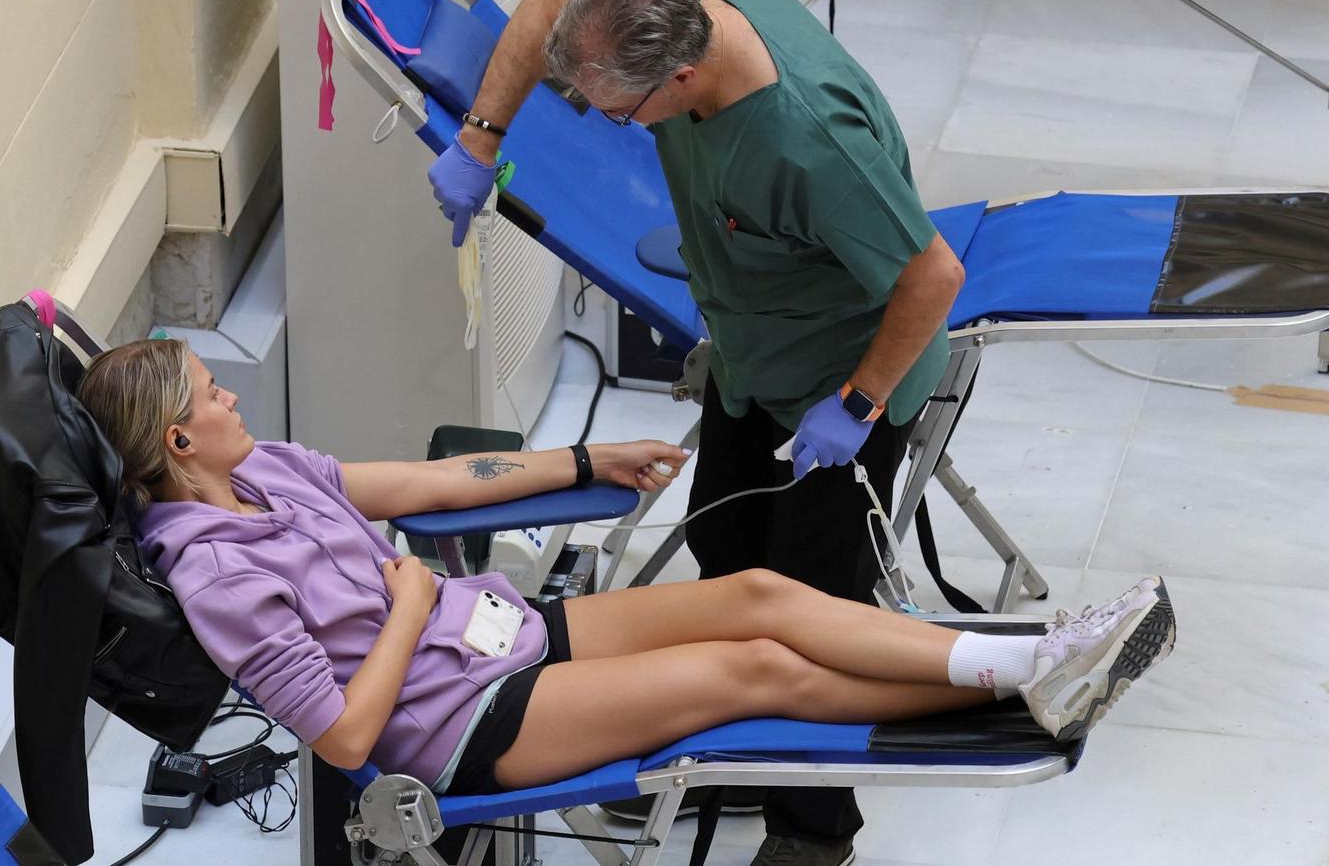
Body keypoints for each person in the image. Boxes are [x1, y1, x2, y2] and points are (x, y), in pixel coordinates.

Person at [76, 338, 1176, 835]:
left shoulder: (260, 468)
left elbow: (420, 480)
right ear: (180, 440)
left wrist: (579, 463)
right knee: (751, 674)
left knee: (751, 593)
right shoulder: (213, 571)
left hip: (496, 632)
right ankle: (1031, 679)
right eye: (217, 396)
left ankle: (1029, 660)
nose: (236, 400)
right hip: (457, 718)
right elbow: (346, 743)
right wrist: (409, 606)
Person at [426, 0, 971, 864]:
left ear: (679, 78)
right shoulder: (652, 2)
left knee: (813, 603)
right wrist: (480, 140)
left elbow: (934, 276)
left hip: (847, 376)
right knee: (725, 553)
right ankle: (752, 743)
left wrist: (859, 403)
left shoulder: (807, 142)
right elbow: (545, 4)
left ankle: (812, 834)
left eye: (618, 114)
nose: (612, 127)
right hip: (754, 353)